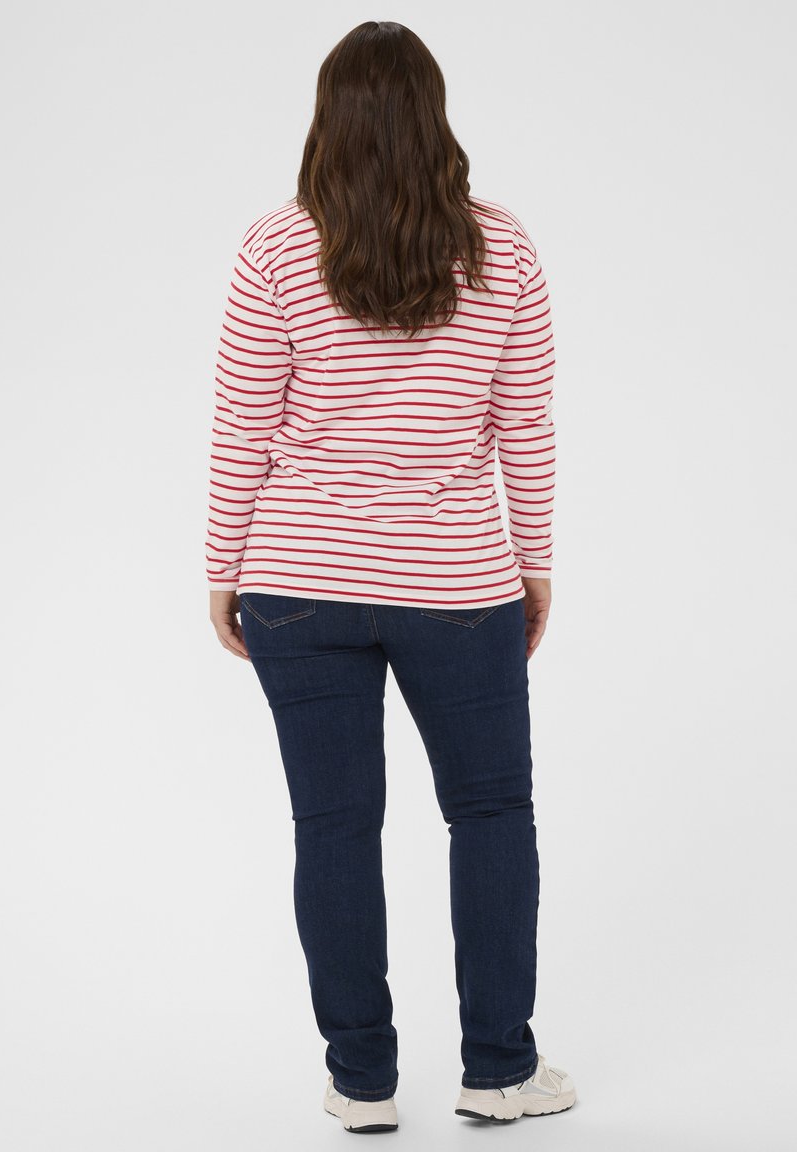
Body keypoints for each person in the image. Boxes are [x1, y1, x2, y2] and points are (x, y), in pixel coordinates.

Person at [205, 19, 576, 1134]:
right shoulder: (501, 248)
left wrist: (224, 569)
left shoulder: (277, 246)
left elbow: (242, 424)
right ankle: (498, 1070)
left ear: (329, 119)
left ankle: (362, 1083)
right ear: (433, 116)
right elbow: (524, 425)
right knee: (491, 813)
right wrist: (534, 563)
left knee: (333, 827)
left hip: (298, 580)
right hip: (457, 582)